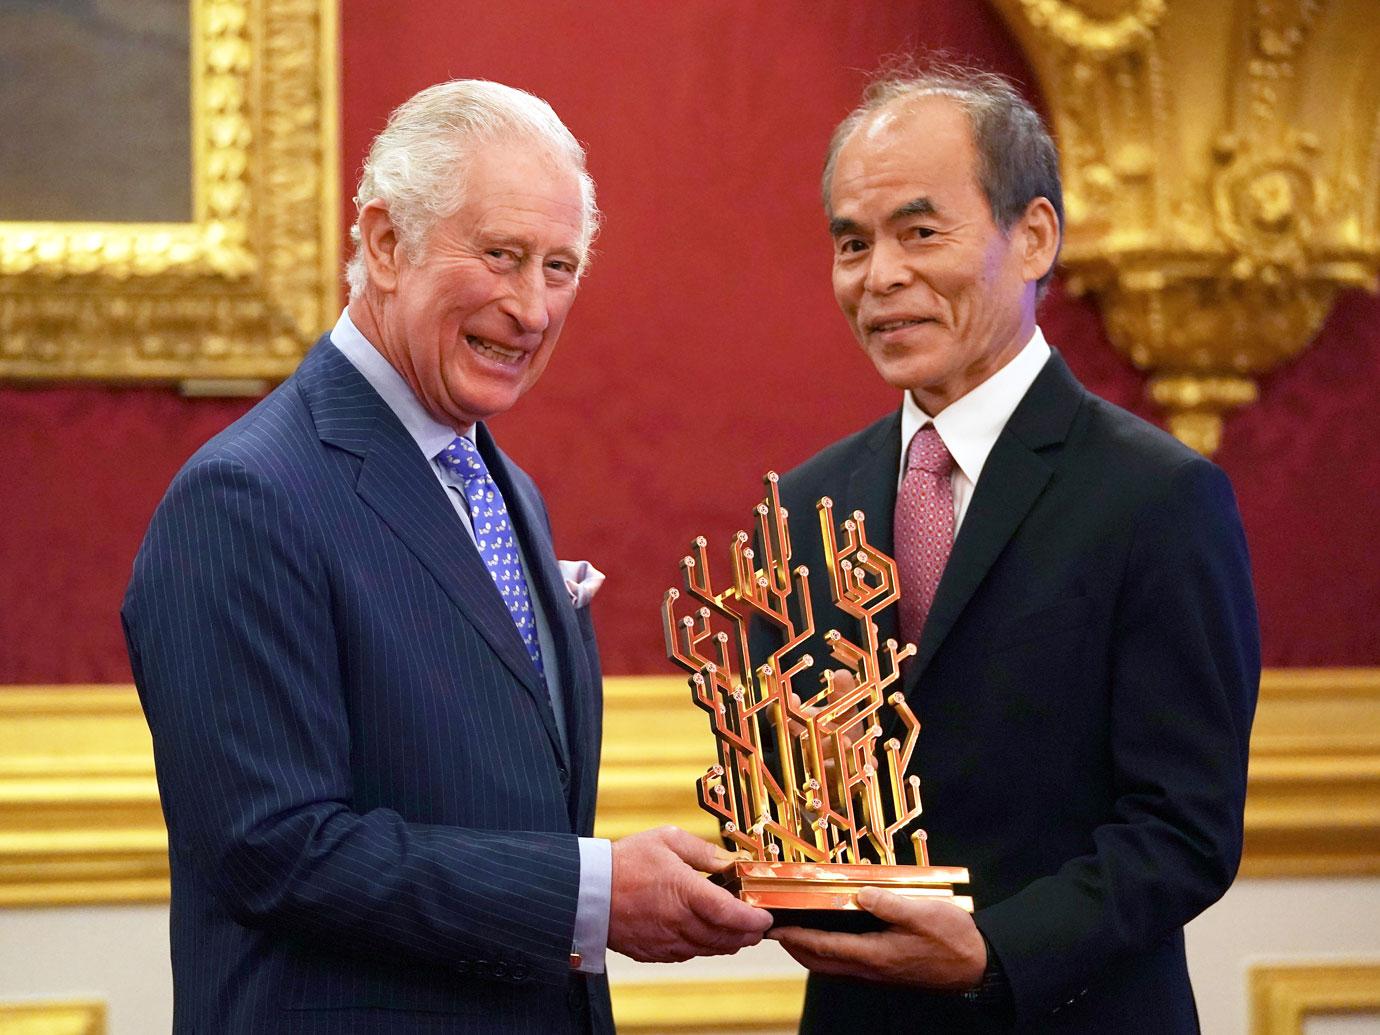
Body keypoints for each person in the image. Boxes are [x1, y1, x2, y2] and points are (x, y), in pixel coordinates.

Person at [122, 80, 771, 1035]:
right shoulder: (247, 496)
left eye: (560, 267)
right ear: (385, 244)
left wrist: (619, 876)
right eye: (501, 256)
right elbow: (275, 849)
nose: (533, 307)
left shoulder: (505, 485)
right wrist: (590, 891)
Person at [759, 65, 1259, 1033]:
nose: (880, 276)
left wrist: (996, 952)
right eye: (852, 243)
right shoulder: (805, 504)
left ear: (1033, 236)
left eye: (920, 231)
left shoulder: (1158, 497)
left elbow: (1184, 830)